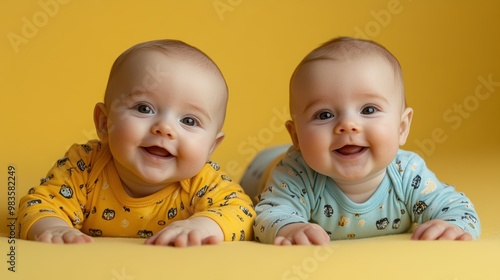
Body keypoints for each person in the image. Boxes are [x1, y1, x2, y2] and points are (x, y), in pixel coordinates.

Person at [17, 39, 255, 247]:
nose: (165, 128)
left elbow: (243, 213)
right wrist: (53, 227)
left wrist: (203, 226)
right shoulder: (85, 164)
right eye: (144, 108)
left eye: (189, 120)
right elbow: (39, 204)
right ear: (104, 122)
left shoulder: (202, 181)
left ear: (211, 147)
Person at [250, 36, 481, 245]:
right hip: (261, 169)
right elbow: (267, 214)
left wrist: (453, 224)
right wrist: (290, 227)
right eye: (324, 115)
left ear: (402, 127)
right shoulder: (295, 174)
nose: (347, 125)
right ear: (297, 136)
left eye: (369, 109)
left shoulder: (408, 174)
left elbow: (458, 208)